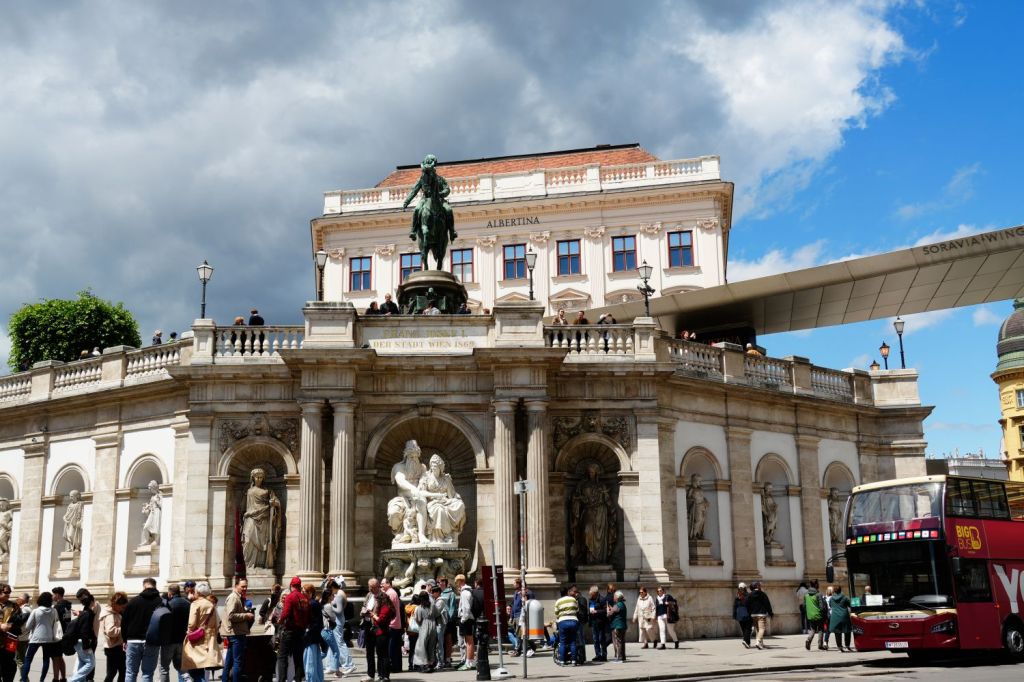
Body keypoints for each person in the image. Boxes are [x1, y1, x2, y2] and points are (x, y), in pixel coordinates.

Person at [122, 578, 163, 682]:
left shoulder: (133, 601)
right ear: (155, 586)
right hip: (151, 641)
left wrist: (124, 639)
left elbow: (124, 622)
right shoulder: (161, 602)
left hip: (132, 640)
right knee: (147, 673)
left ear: (144, 586)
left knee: (130, 672)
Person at [179, 583, 220, 682]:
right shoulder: (211, 604)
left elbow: (191, 623)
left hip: (196, 639)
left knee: (194, 668)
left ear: (198, 592)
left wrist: (189, 630)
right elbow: (216, 623)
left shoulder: (195, 604)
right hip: (208, 638)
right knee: (202, 668)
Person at [21, 592, 61, 682]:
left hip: (35, 638)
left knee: (28, 659)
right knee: (46, 660)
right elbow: (56, 622)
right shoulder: (54, 611)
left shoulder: (36, 611)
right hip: (49, 639)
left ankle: (24, 680)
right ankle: (42, 680)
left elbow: (28, 626)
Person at [275, 577, 309, 682]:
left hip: (289, 631)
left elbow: (286, 613)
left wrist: (280, 621)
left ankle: (282, 680)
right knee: (298, 658)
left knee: (282, 657)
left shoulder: (290, 597)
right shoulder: (304, 598)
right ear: (300, 586)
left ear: (291, 585)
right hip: (301, 632)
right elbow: (308, 615)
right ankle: (298, 679)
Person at [220, 579, 253, 682]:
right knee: (237, 663)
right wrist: (246, 615)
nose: (245, 588)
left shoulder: (237, 597)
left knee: (229, 662)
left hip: (236, 633)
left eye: (246, 586)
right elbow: (231, 616)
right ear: (236, 585)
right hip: (236, 634)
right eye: (242, 586)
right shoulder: (234, 598)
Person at [161, 584, 190, 682]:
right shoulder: (187, 603)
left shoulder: (168, 604)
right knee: (181, 666)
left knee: (164, 668)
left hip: (169, 640)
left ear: (170, 593)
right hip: (182, 639)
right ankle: (188, 679)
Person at [68, 590, 99, 682]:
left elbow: (89, 620)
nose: (81, 601)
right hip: (85, 640)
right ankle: (73, 680)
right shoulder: (88, 612)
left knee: (84, 662)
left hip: (84, 640)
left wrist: (79, 613)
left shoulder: (91, 608)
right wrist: (86, 645)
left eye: (81, 599)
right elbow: (85, 629)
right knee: (89, 663)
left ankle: (79, 680)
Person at [368, 580, 394, 682]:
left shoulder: (386, 606)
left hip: (382, 632)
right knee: (381, 655)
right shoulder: (384, 605)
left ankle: (385, 676)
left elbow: (381, 619)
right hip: (380, 632)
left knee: (383, 655)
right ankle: (381, 675)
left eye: (377, 600)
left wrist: (373, 615)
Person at [328, 581, 355, 676]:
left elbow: (339, 610)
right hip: (337, 620)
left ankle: (349, 665)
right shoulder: (339, 593)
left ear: (332, 587)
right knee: (334, 642)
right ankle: (333, 666)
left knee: (340, 642)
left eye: (329, 588)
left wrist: (330, 606)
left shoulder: (338, 595)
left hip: (338, 621)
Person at [0, 583, 25, 682]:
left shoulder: (14, 606)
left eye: (9, 592)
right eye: (6, 592)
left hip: (9, 642)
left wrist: (10, 626)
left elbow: (19, 622)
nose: (8, 594)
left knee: (9, 668)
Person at [300, 585, 323, 682]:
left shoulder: (311, 604)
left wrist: (306, 631)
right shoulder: (313, 603)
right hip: (314, 637)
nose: (302, 593)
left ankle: (311, 680)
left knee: (309, 662)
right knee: (315, 661)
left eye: (304, 591)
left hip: (310, 637)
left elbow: (314, 622)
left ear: (310, 593)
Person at [379, 577, 402, 673]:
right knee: (396, 648)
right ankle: (397, 667)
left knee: (390, 648)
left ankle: (391, 667)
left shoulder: (389, 594)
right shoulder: (393, 592)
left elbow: (387, 609)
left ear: (388, 584)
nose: (381, 586)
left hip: (391, 624)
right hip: (396, 624)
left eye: (382, 584)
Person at [50, 586, 72, 682]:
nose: (52, 596)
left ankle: (55, 679)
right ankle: (63, 678)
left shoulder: (57, 607)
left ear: (57, 595)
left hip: (57, 634)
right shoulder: (67, 605)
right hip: (65, 633)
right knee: (59, 657)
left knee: (55, 657)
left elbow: (54, 621)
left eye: (53, 594)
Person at [553, 588, 579, 666]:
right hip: (573, 621)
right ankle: (574, 661)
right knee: (573, 642)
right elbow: (577, 610)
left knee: (563, 642)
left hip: (563, 621)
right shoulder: (573, 600)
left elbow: (556, 613)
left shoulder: (558, 601)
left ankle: (562, 661)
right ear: (567, 592)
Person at [455, 575, 474, 671]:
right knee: (468, 641)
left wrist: (463, 619)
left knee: (469, 642)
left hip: (466, 619)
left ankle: (469, 662)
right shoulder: (467, 591)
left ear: (460, 581)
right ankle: (469, 661)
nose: (456, 584)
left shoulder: (465, 592)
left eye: (456, 582)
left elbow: (466, 608)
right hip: (467, 619)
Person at [745, 582, 773, 650]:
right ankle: (758, 642)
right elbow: (767, 604)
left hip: (753, 614)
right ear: (757, 586)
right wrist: (770, 612)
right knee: (762, 629)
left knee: (758, 629)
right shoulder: (762, 594)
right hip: (761, 614)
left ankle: (761, 643)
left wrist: (749, 612)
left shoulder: (750, 595)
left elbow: (746, 604)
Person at [803, 580, 828, 651]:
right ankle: (820, 645)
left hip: (810, 615)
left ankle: (808, 639)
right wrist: (824, 615)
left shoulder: (806, 595)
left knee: (813, 629)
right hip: (819, 615)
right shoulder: (818, 594)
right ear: (816, 585)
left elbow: (804, 606)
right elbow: (822, 607)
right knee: (820, 629)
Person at [438, 577, 457, 668]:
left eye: (440, 582)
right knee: (440, 640)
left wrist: (448, 619)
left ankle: (448, 659)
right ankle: (441, 658)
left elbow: (452, 607)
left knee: (448, 640)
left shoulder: (451, 593)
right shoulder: (437, 592)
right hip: (439, 620)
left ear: (444, 583)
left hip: (447, 621)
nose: (438, 584)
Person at [585, 586, 608, 662]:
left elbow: (605, 610)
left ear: (594, 593)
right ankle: (598, 655)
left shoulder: (602, 599)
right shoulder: (591, 599)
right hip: (594, 622)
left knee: (602, 639)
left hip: (601, 622)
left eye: (590, 592)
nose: (589, 594)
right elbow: (591, 610)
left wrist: (597, 612)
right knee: (595, 639)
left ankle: (604, 655)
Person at [827, 585, 852, 652]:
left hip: (835, 617)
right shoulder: (844, 597)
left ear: (834, 591)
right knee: (847, 631)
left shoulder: (831, 598)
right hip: (844, 616)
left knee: (837, 632)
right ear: (841, 590)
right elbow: (850, 604)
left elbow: (830, 605)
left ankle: (839, 647)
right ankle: (847, 646)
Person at [607, 591, 627, 663]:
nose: (613, 598)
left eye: (614, 596)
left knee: (617, 642)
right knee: (622, 642)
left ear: (617, 598)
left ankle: (619, 658)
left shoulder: (617, 605)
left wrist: (609, 610)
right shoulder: (622, 604)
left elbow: (610, 614)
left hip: (617, 626)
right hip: (622, 626)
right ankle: (623, 656)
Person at [733, 584, 753, 648]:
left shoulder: (737, 596)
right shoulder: (748, 595)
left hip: (740, 615)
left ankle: (748, 643)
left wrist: (734, 615)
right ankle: (745, 640)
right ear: (745, 588)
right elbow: (750, 605)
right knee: (748, 629)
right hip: (747, 614)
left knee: (744, 629)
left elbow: (735, 606)